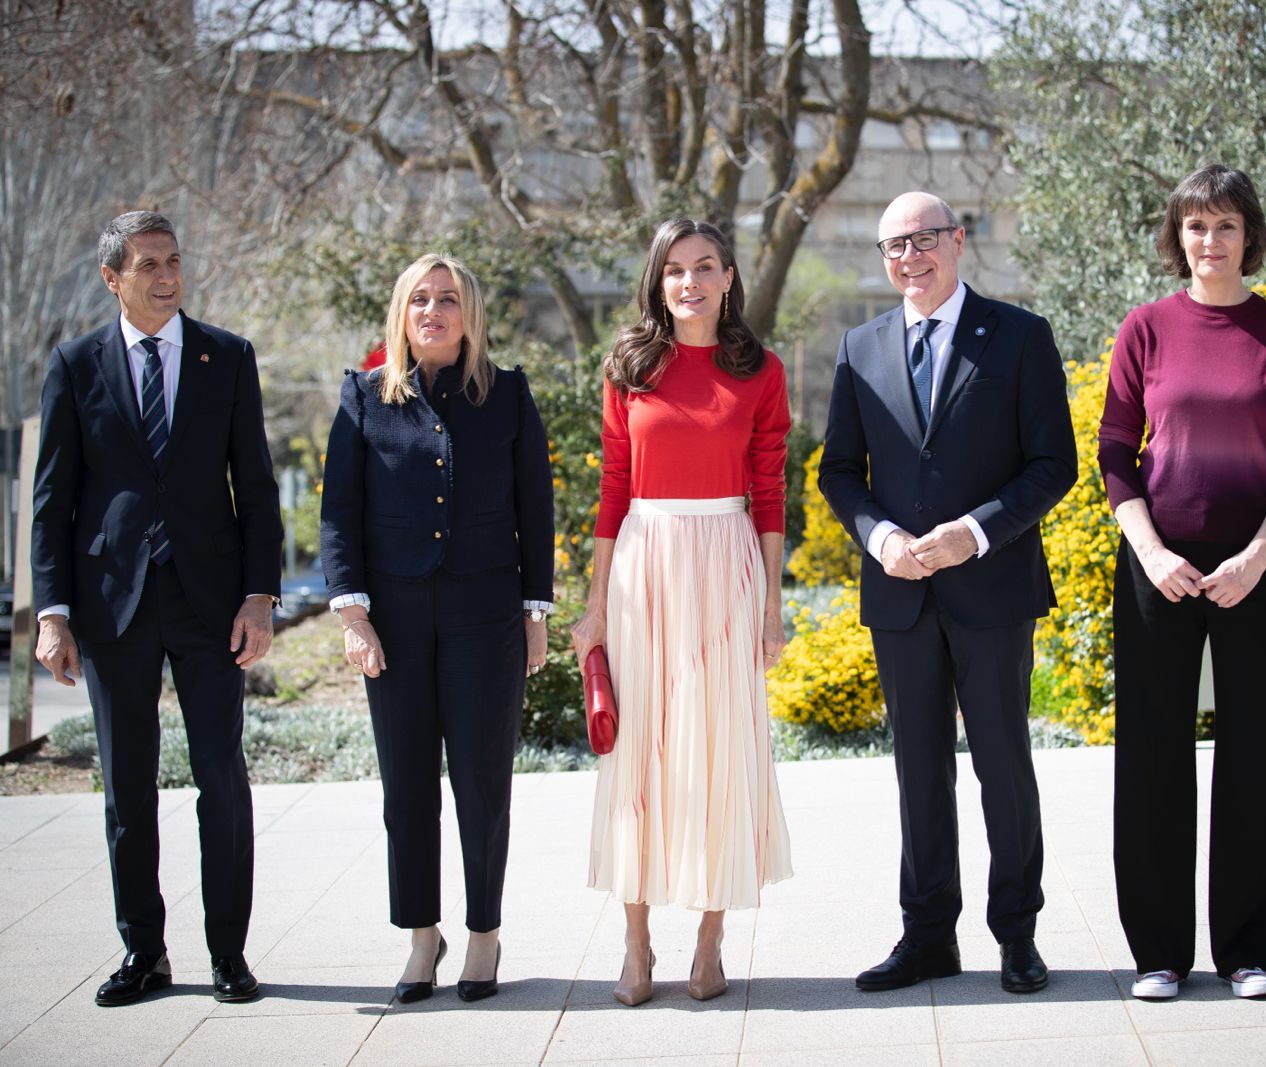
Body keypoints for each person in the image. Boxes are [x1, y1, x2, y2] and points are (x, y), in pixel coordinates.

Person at [818, 191, 1076, 995]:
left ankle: (1017, 935)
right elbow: (838, 472)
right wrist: (881, 537)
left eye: (923, 239)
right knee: (917, 769)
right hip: (900, 595)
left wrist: (976, 530)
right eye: (893, 245)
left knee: (1003, 764)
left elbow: (1052, 464)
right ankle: (928, 935)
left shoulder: (1021, 337)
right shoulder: (860, 347)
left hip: (993, 586)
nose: (908, 257)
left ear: (958, 242)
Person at [32, 211, 282, 1006]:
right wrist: (52, 612)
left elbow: (259, 488)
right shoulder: (75, 364)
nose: (166, 274)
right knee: (127, 789)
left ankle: (227, 954)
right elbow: (52, 503)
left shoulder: (227, 357)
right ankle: (144, 953)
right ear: (113, 278)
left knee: (222, 780)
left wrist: (259, 596)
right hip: (113, 607)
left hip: (212, 605)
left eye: (173, 259)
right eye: (147, 264)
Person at [1098, 165, 1266, 1001]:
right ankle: (1159, 953)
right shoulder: (1147, 328)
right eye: (1196, 226)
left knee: (1257, 756)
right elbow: (1117, 449)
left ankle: (1248, 952)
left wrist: (1257, 556)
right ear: (1178, 237)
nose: (1211, 241)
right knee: (1153, 757)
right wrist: (1152, 553)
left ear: (1249, 235)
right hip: (1159, 568)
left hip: (1259, 567)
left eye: (1226, 225)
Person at [319, 253, 555, 1004]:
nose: (433, 310)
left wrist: (535, 614)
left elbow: (536, 513)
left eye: (447, 298)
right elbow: (339, 517)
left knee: (483, 783)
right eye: (419, 298)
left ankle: (482, 933)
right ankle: (423, 936)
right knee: (407, 788)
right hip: (394, 620)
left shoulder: (508, 396)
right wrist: (353, 615)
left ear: (468, 313)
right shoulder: (364, 397)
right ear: (402, 312)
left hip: (485, 617)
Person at [574, 217, 793, 1007]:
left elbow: (770, 492)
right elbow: (611, 489)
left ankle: (710, 940)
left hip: (727, 558)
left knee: (722, 750)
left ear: (729, 277)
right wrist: (594, 608)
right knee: (638, 754)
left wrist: (771, 606)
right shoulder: (628, 366)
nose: (690, 282)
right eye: (674, 270)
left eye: (705, 267)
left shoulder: (761, 371)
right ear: (658, 281)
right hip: (644, 565)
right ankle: (635, 948)